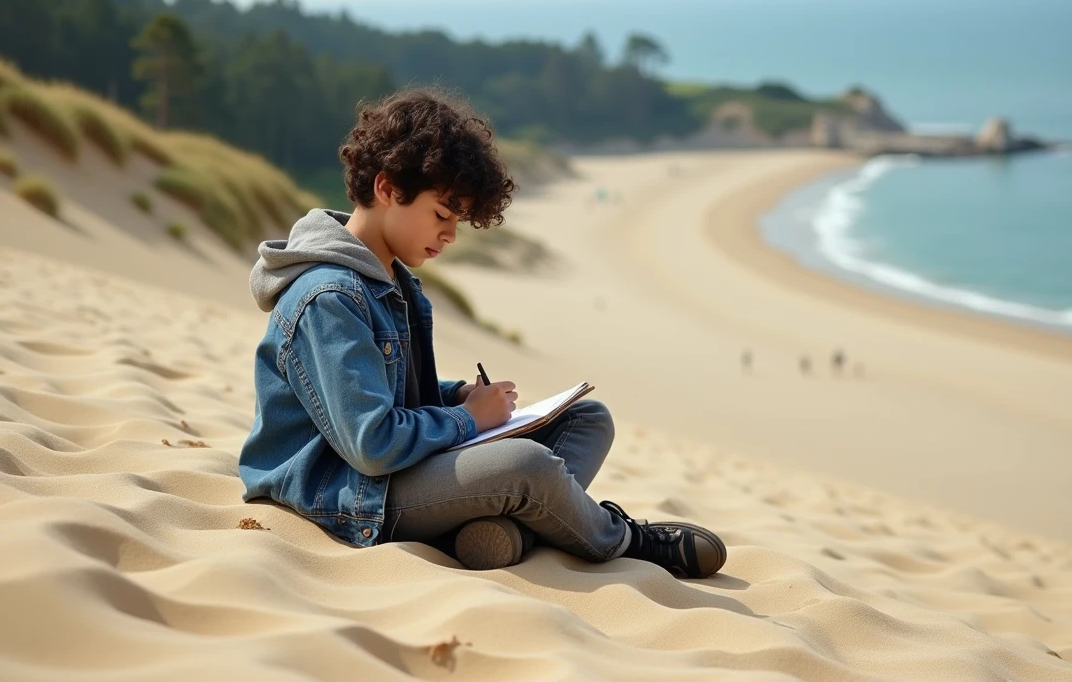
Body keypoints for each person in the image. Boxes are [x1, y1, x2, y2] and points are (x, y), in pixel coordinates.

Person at [238, 88, 725, 578]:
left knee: (587, 419)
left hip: (391, 476)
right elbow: (372, 443)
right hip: (346, 494)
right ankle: (621, 540)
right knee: (527, 466)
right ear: (387, 189)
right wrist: (468, 419)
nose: (450, 235)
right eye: (442, 215)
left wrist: (457, 397)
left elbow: (388, 394)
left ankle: (503, 534)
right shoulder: (329, 298)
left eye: (457, 221)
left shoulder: (390, 281)